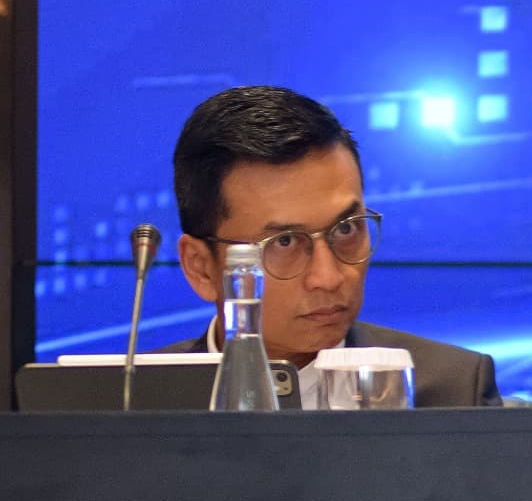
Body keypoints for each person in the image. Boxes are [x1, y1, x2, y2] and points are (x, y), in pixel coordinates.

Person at [163, 86, 501, 407]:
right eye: (284, 242)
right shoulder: (138, 404)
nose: (328, 278)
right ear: (201, 268)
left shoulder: (452, 391)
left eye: (346, 229)